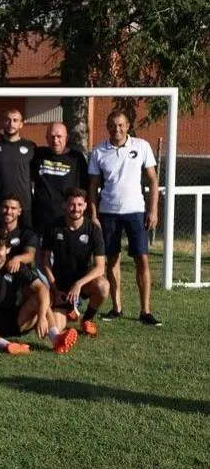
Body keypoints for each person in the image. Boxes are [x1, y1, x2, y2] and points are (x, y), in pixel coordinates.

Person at [88, 111, 162, 326]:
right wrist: (93, 215)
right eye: (112, 125)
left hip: (136, 212)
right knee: (112, 260)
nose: (116, 129)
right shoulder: (99, 151)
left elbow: (153, 180)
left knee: (142, 259)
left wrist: (153, 210)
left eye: (121, 125)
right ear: (107, 126)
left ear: (128, 125)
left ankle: (145, 311)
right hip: (108, 212)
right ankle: (116, 307)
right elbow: (92, 186)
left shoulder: (142, 146)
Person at [41, 188, 110, 341]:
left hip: (83, 284)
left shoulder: (93, 229)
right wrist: (54, 288)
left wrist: (79, 284)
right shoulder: (53, 227)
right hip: (60, 288)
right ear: (64, 205)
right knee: (55, 329)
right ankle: (67, 315)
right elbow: (44, 260)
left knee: (103, 286)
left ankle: (86, 320)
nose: (76, 209)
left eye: (79, 205)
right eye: (72, 205)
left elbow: (100, 267)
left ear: (85, 206)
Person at [0, 109, 36, 227]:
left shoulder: (30, 147)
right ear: (3, 122)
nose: (11, 124)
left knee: (27, 240)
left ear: (21, 124)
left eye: (15, 120)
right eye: (7, 120)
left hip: (25, 205)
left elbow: (35, 172)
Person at [31, 122, 89, 236]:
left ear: (66, 138)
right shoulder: (38, 155)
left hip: (68, 219)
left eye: (59, 137)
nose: (55, 140)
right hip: (41, 219)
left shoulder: (76, 158)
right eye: (52, 137)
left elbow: (85, 189)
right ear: (46, 138)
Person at [0, 194, 38, 274]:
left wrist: (17, 258)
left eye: (13, 208)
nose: (8, 211)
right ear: (0, 209)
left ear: (19, 211)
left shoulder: (27, 233)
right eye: (5, 207)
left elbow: (30, 255)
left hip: (19, 275)